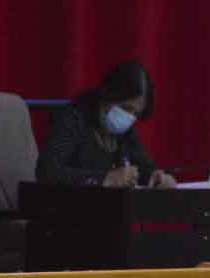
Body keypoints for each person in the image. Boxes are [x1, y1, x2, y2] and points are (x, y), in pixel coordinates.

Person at [36, 60, 176, 189]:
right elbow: (47, 171)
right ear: (109, 95)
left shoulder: (125, 128)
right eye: (126, 108)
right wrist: (105, 179)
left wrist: (156, 177)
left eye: (136, 114)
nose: (130, 117)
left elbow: (142, 165)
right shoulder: (74, 118)